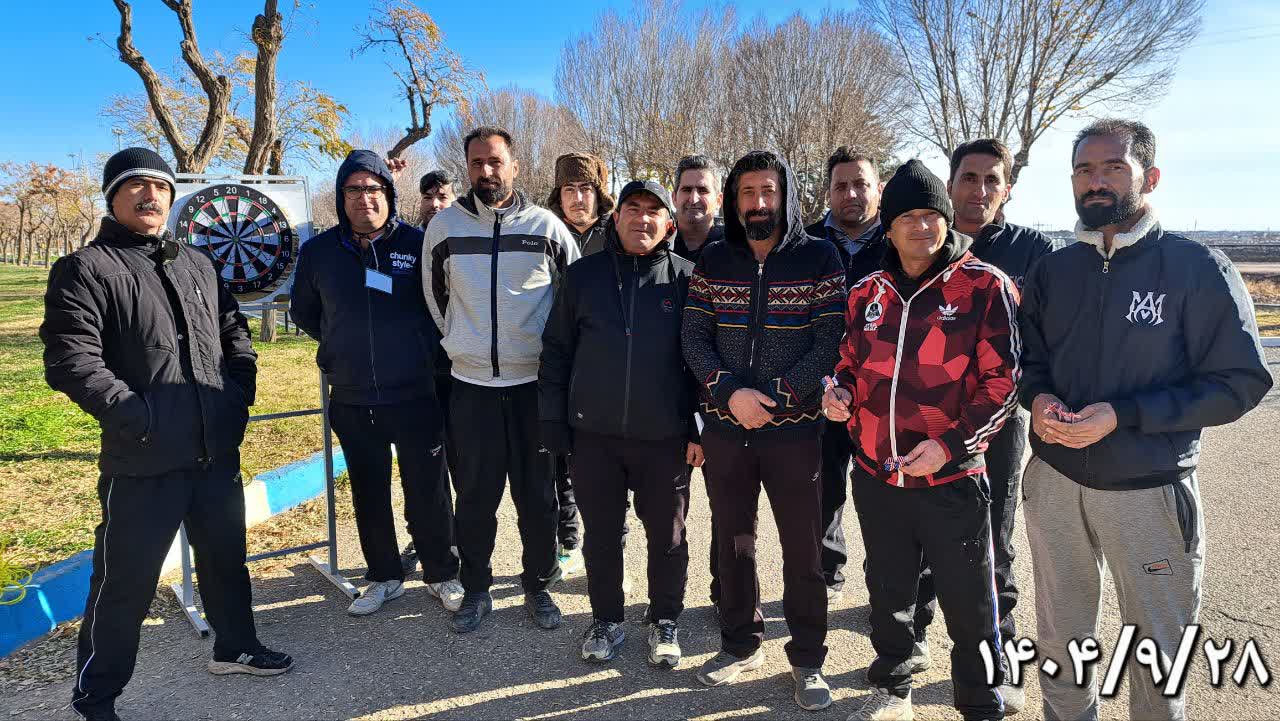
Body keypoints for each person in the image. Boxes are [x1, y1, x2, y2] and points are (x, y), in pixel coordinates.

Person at [1018, 119, 1272, 721]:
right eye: (1084, 170)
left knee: (1157, 651)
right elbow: (1028, 361)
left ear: (1149, 177)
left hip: (1148, 489)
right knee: (1059, 641)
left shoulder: (1197, 268)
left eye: (1113, 167)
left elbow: (1241, 383)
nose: (1096, 181)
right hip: (1055, 481)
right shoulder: (1055, 269)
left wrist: (1125, 415)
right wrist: (1038, 399)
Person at [41, 148, 291, 721]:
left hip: (214, 450)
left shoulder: (197, 263)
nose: (150, 195)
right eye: (136, 186)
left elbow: (233, 332)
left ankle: (236, 647)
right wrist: (138, 418)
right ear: (112, 198)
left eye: (160, 186)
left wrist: (236, 399)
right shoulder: (86, 269)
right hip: (143, 460)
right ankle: (96, 697)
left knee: (226, 561)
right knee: (124, 583)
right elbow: (71, 359)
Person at [825, 159, 1020, 721]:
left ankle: (980, 700)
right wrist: (838, 393)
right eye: (907, 216)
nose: (921, 226)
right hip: (877, 474)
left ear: (946, 219)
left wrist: (951, 445)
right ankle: (893, 684)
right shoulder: (866, 292)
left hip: (952, 477)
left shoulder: (984, 286)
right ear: (887, 227)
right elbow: (848, 363)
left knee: (969, 601)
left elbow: (1003, 384)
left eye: (931, 214)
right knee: (888, 590)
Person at [683, 150, 845, 711]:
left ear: (786, 195)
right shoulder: (713, 259)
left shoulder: (819, 257)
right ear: (734, 200)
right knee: (733, 543)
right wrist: (730, 392)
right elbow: (693, 338)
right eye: (748, 192)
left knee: (804, 550)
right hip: (727, 431)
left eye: (768, 191)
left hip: (794, 433)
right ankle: (739, 643)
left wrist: (774, 398)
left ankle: (808, 658)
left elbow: (830, 341)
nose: (758, 203)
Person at [899, 139, 1057, 709]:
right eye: (969, 178)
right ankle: (915, 630)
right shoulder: (924, 240)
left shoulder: (1032, 251)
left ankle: (999, 655)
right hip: (918, 417)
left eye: (993, 180)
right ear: (951, 183)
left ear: (1007, 189)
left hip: (994, 422)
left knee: (991, 538)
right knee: (915, 529)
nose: (980, 190)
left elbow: (1044, 335)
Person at [423, 126, 581, 633]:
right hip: (471, 389)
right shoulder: (444, 228)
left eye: (495, 162)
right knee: (474, 497)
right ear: (467, 168)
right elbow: (436, 299)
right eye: (476, 163)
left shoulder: (547, 227)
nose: (486, 171)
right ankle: (476, 587)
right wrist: (463, 343)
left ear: (514, 166)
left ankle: (538, 586)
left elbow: (571, 300)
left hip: (533, 388)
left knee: (537, 498)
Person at [291, 150, 463, 616]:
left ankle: (442, 573)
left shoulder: (420, 244)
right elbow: (305, 312)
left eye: (373, 188)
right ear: (340, 196)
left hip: (416, 392)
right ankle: (384, 576)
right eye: (353, 189)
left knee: (428, 489)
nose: (364, 197)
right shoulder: (319, 253)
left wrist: (421, 352)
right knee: (368, 492)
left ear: (389, 192)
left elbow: (444, 306)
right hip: (352, 395)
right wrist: (340, 345)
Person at [540, 179, 702, 667]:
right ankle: (606, 619)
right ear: (616, 218)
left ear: (668, 224)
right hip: (594, 436)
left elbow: (702, 361)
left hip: (665, 438)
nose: (642, 218)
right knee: (602, 536)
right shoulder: (582, 277)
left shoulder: (687, 279)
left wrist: (698, 430)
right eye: (633, 208)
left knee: (668, 538)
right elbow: (556, 352)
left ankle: (665, 618)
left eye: (654, 211)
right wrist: (554, 422)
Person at [803, 146, 887, 603]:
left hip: (883, 393)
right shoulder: (806, 243)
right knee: (823, 489)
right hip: (822, 388)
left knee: (882, 495)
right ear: (828, 192)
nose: (851, 194)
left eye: (861, 184)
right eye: (841, 186)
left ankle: (887, 583)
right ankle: (827, 572)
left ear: (879, 189)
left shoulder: (899, 241)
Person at [544, 151, 619, 577]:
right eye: (569, 189)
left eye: (585, 189)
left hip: (605, 366)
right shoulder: (544, 231)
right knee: (561, 461)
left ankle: (611, 551)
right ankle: (567, 540)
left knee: (608, 469)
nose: (577, 198)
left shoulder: (615, 235)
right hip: (557, 359)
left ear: (599, 193)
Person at [671, 154, 725, 262]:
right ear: (674, 198)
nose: (693, 199)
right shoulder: (655, 245)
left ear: (718, 200)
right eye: (687, 190)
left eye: (703, 190)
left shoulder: (736, 249)